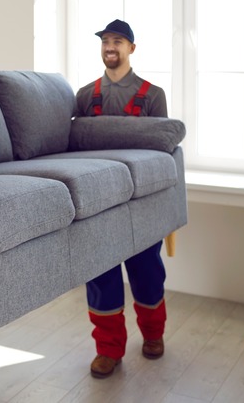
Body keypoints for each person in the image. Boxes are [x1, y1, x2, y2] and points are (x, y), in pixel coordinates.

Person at [74, 19, 168, 379]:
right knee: (101, 277)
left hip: (141, 202)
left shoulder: (152, 94)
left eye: (118, 41)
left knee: (147, 271)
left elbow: (162, 152)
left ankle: (154, 336)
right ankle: (108, 350)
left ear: (132, 48)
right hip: (98, 203)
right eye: (105, 41)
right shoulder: (85, 96)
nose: (110, 46)